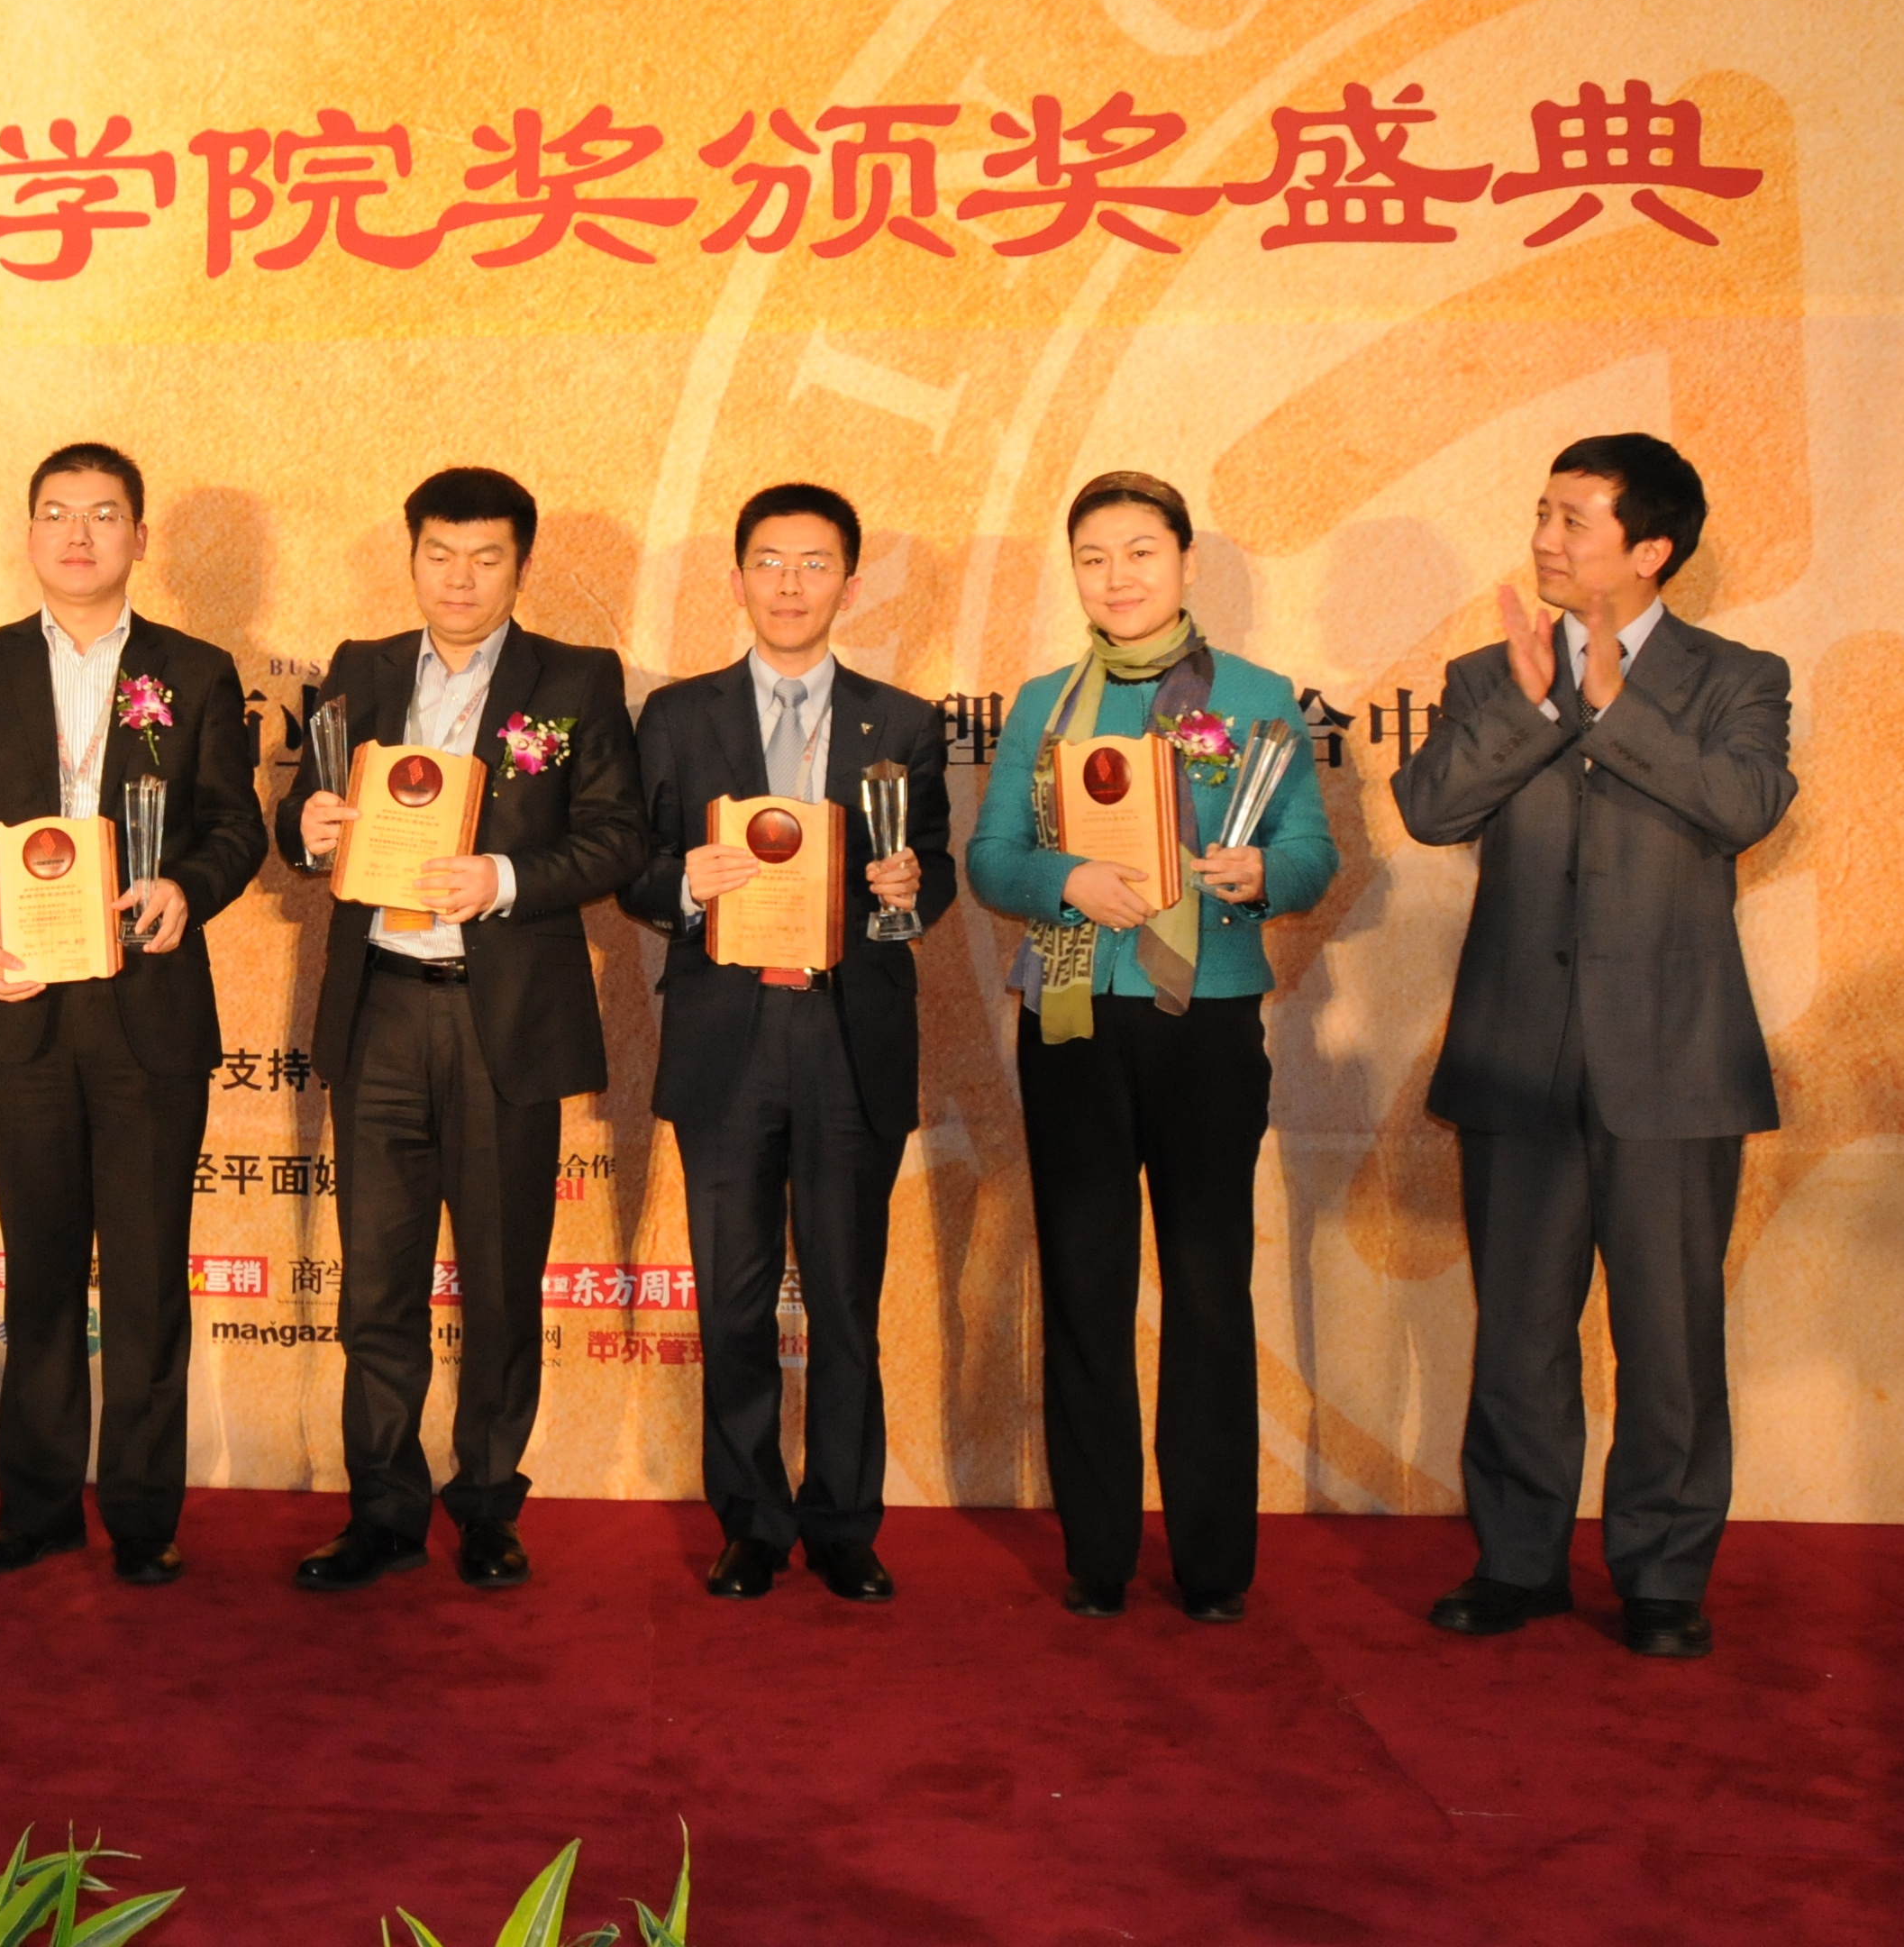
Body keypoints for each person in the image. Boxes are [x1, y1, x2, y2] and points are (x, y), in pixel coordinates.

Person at [1394, 433, 1789, 1661]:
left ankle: (1663, 1575)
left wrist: (1614, 704)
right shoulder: (1489, 674)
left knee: (1669, 1339)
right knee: (1518, 1332)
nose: (1545, 539)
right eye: (1541, 514)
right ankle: (1517, 1561)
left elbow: (1745, 805)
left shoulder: (1736, 677)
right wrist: (1529, 706)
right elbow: (1430, 808)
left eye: (1574, 520)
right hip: (1516, 1056)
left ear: (1650, 548)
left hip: (1674, 1061)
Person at [970, 470, 1337, 1623]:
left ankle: (1213, 1561)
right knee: (1083, 1283)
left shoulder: (1258, 695)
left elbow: (1313, 852)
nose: (1116, 577)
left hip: (1205, 1019)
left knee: (1207, 1283)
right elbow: (990, 857)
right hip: (1072, 1017)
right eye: (1092, 557)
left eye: (1139, 551)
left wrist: (1263, 872)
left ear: (1183, 562)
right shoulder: (1044, 704)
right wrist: (1063, 877)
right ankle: (1098, 1552)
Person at [275, 467, 644, 1593]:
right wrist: (306, 826)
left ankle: (486, 1502)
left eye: (486, 558)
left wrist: (503, 878)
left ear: (520, 566)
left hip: (503, 1022)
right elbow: (296, 812)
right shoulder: (361, 668)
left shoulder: (573, 678)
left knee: (498, 1279)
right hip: (380, 1007)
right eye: (439, 554)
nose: (460, 578)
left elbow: (617, 837)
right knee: (375, 1284)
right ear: (412, 556)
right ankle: (382, 1510)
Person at [0, 443, 265, 1587]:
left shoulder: (195, 670)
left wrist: (186, 887)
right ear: (29, 534)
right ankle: (38, 1506)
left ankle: (145, 1515)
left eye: (103, 515)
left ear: (138, 538)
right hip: (18, 1009)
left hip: (148, 1015)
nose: (77, 534)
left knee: (148, 1277)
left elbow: (236, 825)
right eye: (56, 513)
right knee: (41, 1271)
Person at [622, 482, 954, 1604]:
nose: (790, 584)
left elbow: (933, 871)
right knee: (732, 1297)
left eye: (815, 565)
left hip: (847, 1034)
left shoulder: (902, 721)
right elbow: (634, 868)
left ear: (848, 586)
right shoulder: (678, 715)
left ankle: (845, 1523)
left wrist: (909, 888)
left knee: (847, 1296)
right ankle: (752, 1522)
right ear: (736, 580)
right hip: (727, 1036)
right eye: (769, 562)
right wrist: (683, 881)